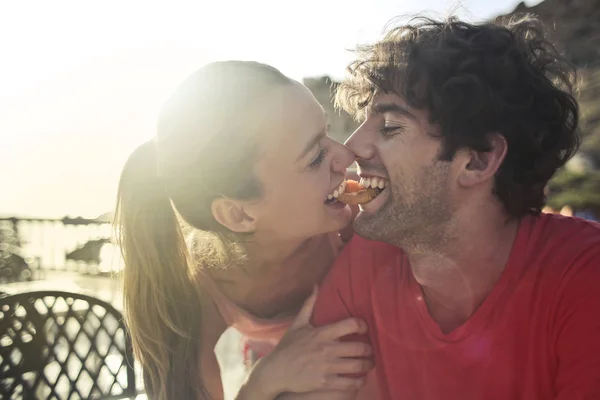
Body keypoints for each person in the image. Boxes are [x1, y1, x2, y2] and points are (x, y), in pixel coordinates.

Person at [287, 15, 600, 399]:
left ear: (478, 161)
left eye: (389, 127)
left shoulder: (584, 278)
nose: (353, 146)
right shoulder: (366, 262)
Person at [114, 61, 375, 400]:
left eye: (328, 133)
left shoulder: (353, 229)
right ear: (238, 214)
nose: (345, 155)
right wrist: (264, 380)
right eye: (314, 158)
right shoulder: (197, 291)